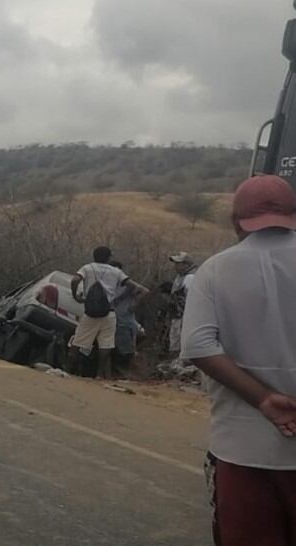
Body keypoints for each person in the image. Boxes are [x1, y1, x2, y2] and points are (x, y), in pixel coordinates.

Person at [181, 175, 296, 546]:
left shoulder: (215, 269)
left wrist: (263, 399)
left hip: (242, 450)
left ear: (235, 221)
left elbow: (198, 345)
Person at [69, 246, 134, 379]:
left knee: (78, 340)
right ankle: (99, 374)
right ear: (109, 257)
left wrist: (76, 296)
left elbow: (75, 280)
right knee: (106, 343)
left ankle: (69, 370)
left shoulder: (87, 268)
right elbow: (136, 287)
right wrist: (127, 303)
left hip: (90, 312)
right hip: (109, 312)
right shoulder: (116, 272)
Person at [109, 261, 149, 373]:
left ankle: (132, 374)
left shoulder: (127, 285)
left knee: (128, 351)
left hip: (125, 322)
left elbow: (144, 291)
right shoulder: (109, 285)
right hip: (112, 322)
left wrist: (133, 306)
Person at [166, 251, 198, 355]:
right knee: (175, 341)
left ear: (186, 264)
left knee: (181, 342)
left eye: (178, 264)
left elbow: (190, 298)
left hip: (184, 316)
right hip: (177, 315)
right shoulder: (180, 277)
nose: (176, 266)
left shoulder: (190, 277)